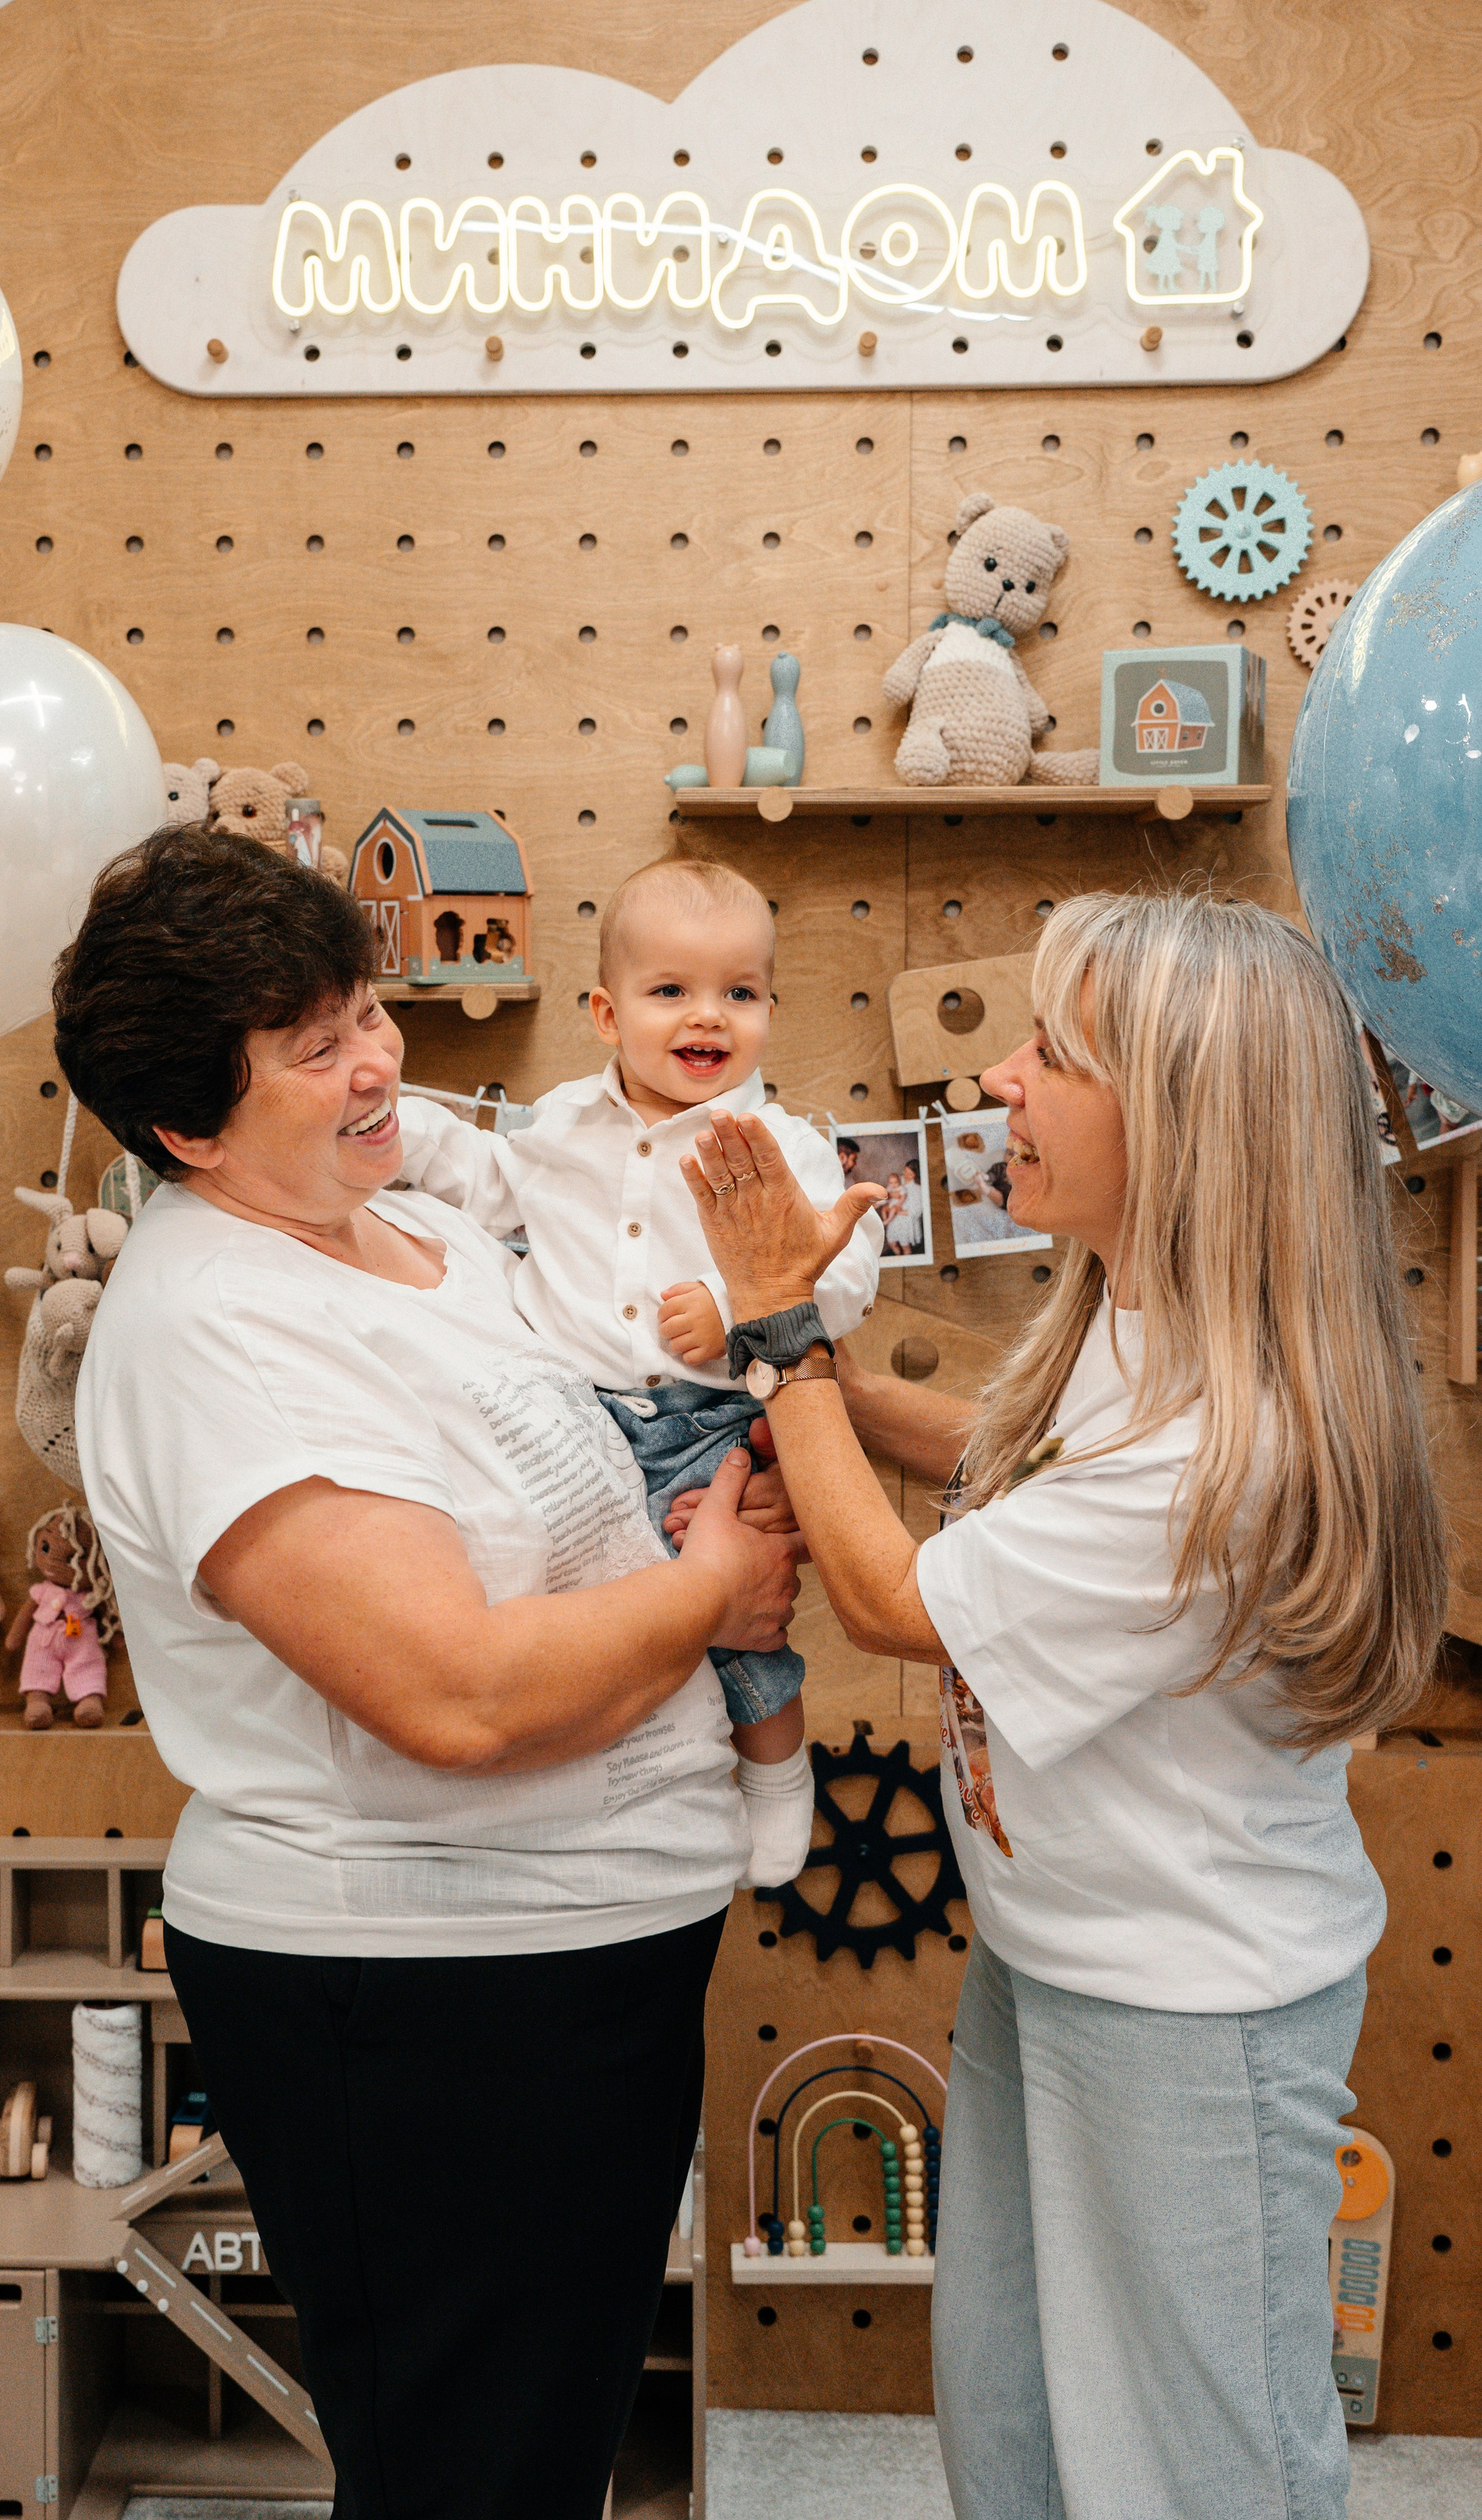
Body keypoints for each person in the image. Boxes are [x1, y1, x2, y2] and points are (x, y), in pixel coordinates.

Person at [53, 828, 804, 2520]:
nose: (378, 1059)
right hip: (424, 1990)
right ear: (188, 1124)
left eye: (367, 1007)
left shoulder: (420, 1235)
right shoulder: (214, 1331)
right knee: (467, 2473)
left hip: (575, 1951)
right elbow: (454, 1691)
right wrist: (713, 1587)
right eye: (312, 1048)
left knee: (532, 2455)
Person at [673, 888, 1445, 2520]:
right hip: (1056, 1955)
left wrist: (776, 1346)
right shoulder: (1136, 1317)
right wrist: (828, 1375)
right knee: (1015, 2432)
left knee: (1191, 2467)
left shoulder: (1215, 1462)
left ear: (1178, 1123)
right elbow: (1010, 1474)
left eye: (1054, 1052)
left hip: (1185, 2008)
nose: (995, 1079)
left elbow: (900, 1604)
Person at [400, 856, 880, 1885]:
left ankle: (778, 1770)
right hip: (570, 1414)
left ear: (768, 1008)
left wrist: (743, 1305)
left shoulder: (778, 1144)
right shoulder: (564, 1121)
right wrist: (396, 1126)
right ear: (607, 1014)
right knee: (573, 1606)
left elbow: (844, 1271)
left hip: (705, 1421)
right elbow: (486, 1182)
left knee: (738, 1614)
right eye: (672, 991)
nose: (708, 1017)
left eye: (739, 993)